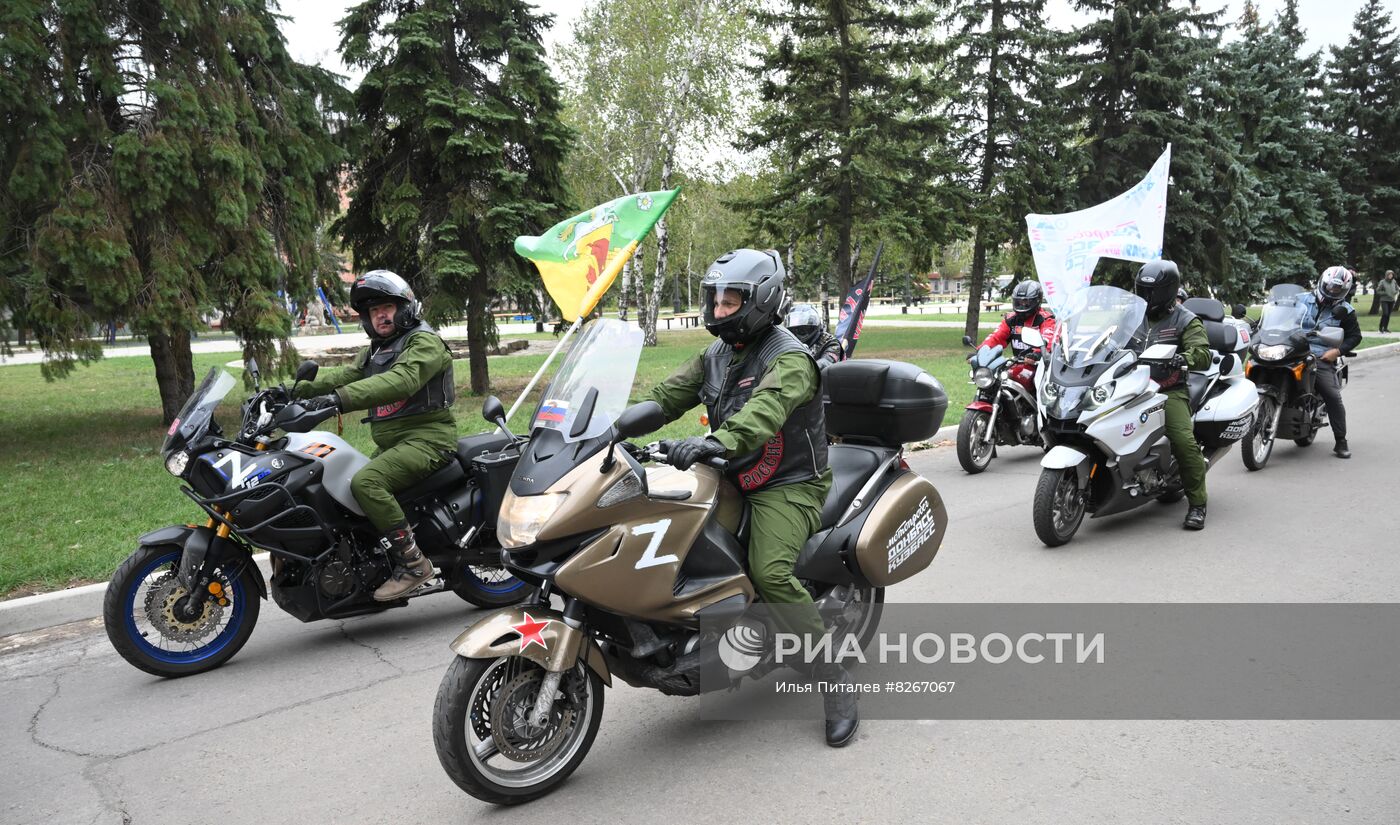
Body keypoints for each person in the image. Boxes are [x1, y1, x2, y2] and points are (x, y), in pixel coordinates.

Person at [645, 248, 857, 747]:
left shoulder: (790, 358)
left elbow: (764, 411)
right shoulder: (716, 355)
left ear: (760, 300)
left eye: (730, 300)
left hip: (789, 484)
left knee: (770, 571)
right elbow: (665, 395)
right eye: (715, 299)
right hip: (731, 473)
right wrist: (607, 427)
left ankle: (834, 680)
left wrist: (712, 443)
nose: (719, 309)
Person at [294, 270, 458, 600]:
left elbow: (402, 381)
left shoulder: (423, 342)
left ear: (406, 308)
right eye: (373, 311)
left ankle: (413, 565)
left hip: (429, 440)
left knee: (366, 483)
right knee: (341, 489)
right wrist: (293, 391)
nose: (380, 315)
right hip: (395, 445)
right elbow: (346, 374)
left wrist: (339, 400)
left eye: (387, 307)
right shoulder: (377, 350)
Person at [1133, 260, 1213, 530]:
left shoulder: (1186, 319)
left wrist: (1181, 358)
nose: (1145, 296)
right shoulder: (1132, 315)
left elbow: (1202, 354)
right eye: (1142, 290)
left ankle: (1198, 505)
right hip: (1128, 386)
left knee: (1183, 441)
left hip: (1168, 390)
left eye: (1150, 291)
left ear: (1167, 291)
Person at [1297, 266, 1363, 459]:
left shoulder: (1346, 310)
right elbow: (1277, 315)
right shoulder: (1300, 300)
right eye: (1330, 287)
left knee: (1332, 396)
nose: (1333, 291)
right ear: (1322, 282)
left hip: (1320, 356)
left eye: (1338, 289)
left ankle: (1341, 440)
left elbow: (1355, 336)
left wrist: (1337, 351)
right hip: (1291, 349)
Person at [980, 280, 1057, 358]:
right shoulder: (1010, 319)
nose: (1022, 305)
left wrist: (1037, 354)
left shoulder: (1046, 319)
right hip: (1017, 364)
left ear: (1037, 300)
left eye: (1026, 301)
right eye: (1019, 302)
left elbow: (1048, 339)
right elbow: (996, 337)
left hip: (1040, 366)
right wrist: (981, 351)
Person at [783, 301, 843, 369]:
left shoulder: (830, 342)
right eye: (793, 330)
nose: (798, 334)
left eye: (803, 330)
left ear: (814, 327)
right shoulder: (787, 343)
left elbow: (826, 361)